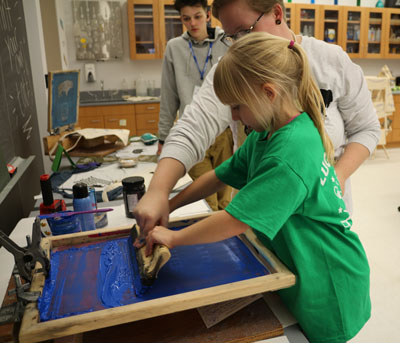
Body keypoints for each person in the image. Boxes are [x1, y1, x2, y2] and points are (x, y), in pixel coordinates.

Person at [143, 33, 371, 343]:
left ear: (269, 93)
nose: (233, 117)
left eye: (237, 107)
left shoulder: (289, 152)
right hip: (300, 266)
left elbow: (236, 220)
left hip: (328, 283)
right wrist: (169, 205)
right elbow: (220, 175)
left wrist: (175, 237)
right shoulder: (268, 133)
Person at [134, 0, 380, 238]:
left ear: (276, 13)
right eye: (230, 37)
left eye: (244, 31)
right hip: (265, 230)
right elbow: (194, 129)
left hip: (314, 237)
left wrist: (337, 177)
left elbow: (366, 129)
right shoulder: (250, 104)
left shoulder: (330, 64)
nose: (238, 46)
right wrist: (159, 191)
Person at [157, 0, 233, 211]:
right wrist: (163, 137)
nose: (192, 23)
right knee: (206, 203)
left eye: (197, 16)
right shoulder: (175, 48)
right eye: (186, 18)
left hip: (225, 133)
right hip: (194, 132)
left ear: (208, 15)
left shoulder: (228, 41)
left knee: (226, 201)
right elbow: (169, 95)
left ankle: (226, 243)